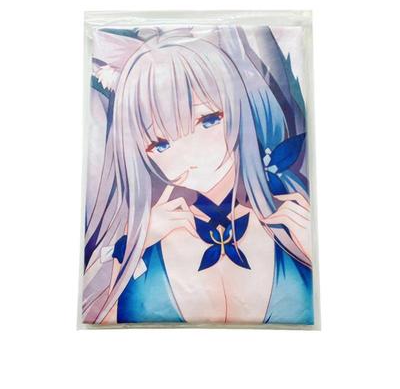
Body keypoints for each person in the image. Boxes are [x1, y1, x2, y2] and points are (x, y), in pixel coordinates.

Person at [82, 26, 314, 325]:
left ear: (238, 108)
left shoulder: (293, 217)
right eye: (160, 144)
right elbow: (96, 329)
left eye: (207, 121)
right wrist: (132, 250)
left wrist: (316, 251)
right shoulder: (146, 233)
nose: (188, 155)